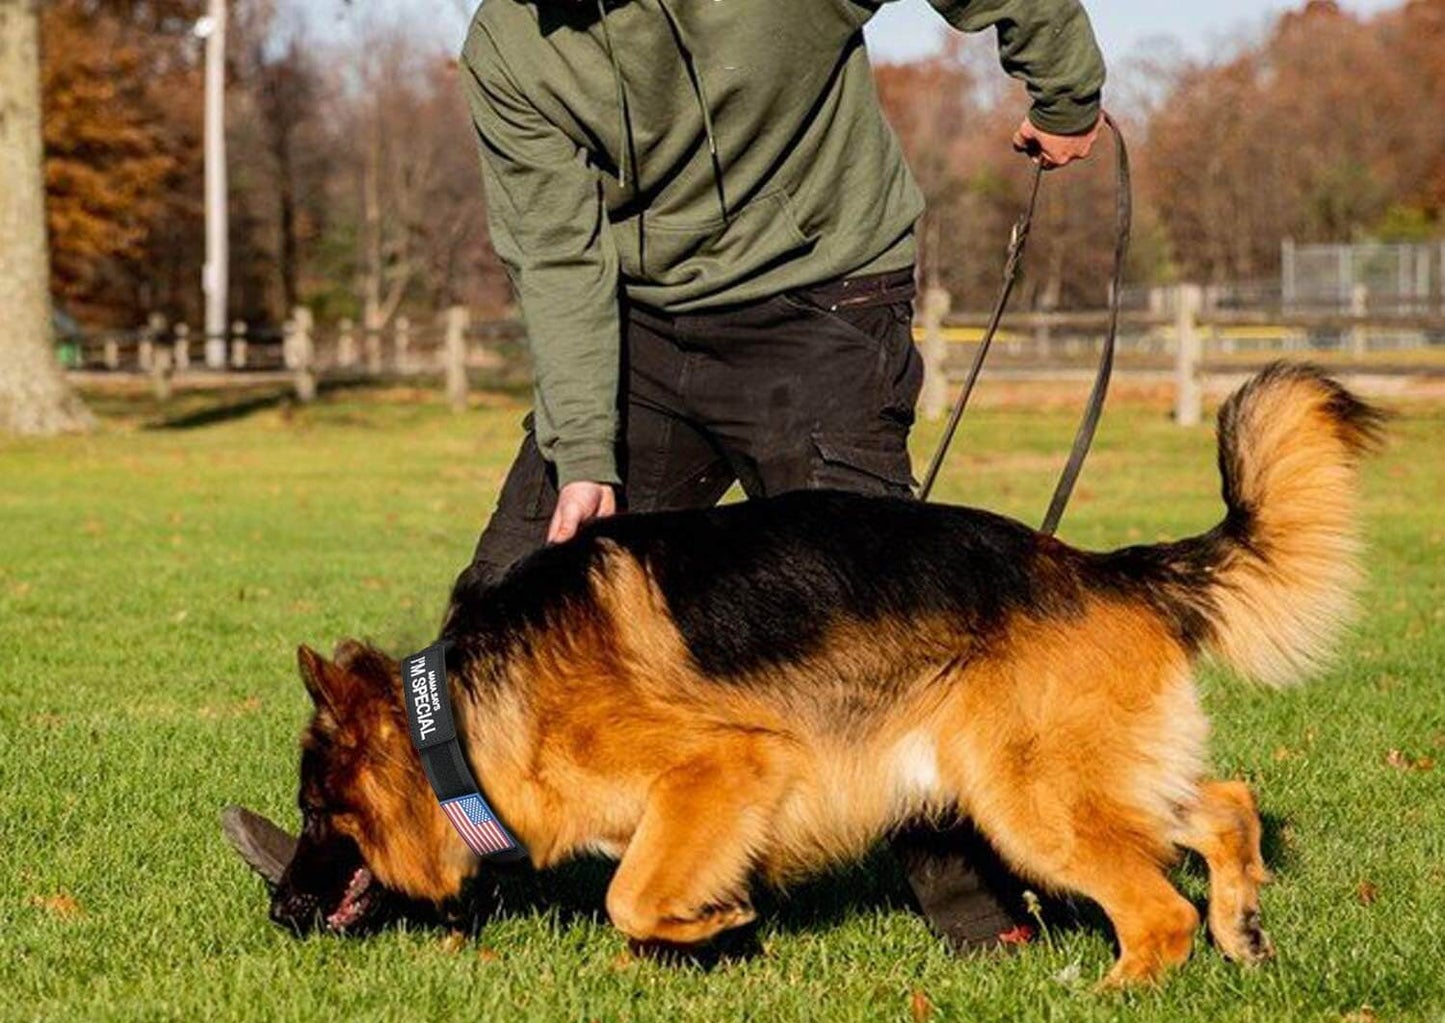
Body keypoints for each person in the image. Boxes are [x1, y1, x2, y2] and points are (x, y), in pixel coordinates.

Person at [225, 0, 1106, 947]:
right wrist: (582, 452)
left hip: (818, 299)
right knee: (505, 584)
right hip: (635, 325)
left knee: (883, 620)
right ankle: (410, 867)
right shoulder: (509, 48)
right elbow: (556, 254)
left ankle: (980, 909)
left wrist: (1065, 92)